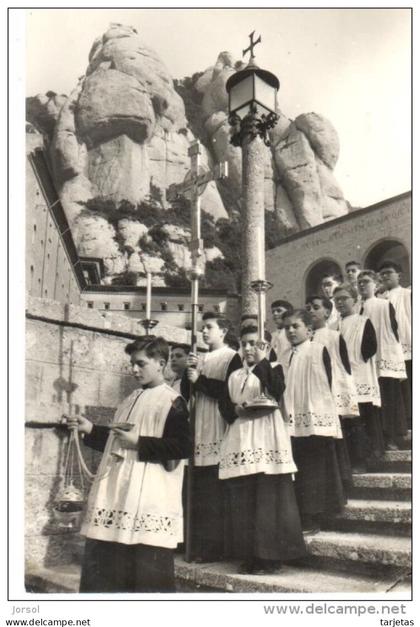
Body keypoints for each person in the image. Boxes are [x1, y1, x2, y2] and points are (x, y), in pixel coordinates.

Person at [64, 336, 191, 593]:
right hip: (116, 492)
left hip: (147, 497)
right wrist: (90, 429)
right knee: (105, 568)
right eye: (131, 364)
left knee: (144, 573)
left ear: (161, 363)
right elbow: (117, 441)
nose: (134, 369)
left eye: (140, 363)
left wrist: (140, 443)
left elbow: (182, 448)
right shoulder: (130, 398)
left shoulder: (173, 402)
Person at [218, 326, 306, 574]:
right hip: (242, 436)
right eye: (244, 344)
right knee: (245, 499)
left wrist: (263, 361)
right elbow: (224, 404)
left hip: (267, 437)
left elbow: (275, 391)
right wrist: (235, 410)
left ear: (266, 347)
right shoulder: (235, 375)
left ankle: (270, 555)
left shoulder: (274, 368)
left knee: (267, 499)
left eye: (254, 344)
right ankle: (250, 554)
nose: (248, 349)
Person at [184, 312, 242, 562]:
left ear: (224, 331)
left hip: (218, 425)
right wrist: (191, 375)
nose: (204, 332)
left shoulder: (232, 357)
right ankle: (198, 545)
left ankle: (217, 548)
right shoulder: (200, 358)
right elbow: (189, 393)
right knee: (199, 492)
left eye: (209, 327)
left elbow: (230, 392)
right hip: (199, 425)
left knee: (215, 492)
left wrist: (200, 380)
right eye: (202, 328)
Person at [281, 309, 345, 534]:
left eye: (295, 326)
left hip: (314, 419)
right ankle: (302, 517)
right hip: (291, 419)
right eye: (286, 327)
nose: (290, 330)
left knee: (313, 471)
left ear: (309, 329)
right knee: (298, 470)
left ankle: (314, 518)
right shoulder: (284, 355)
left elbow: (326, 383)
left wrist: (317, 413)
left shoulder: (318, 350)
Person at [334, 284, 384, 471]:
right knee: (348, 420)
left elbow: (371, 347)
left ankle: (368, 460)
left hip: (360, 375)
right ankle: (353, 461)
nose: (339, 302)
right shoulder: (333, 326)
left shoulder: (363, 321)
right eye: (336, 299)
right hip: (342, 379)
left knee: (362, 418)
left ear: (354, 300)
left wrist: (355, 360)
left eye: (344, 298)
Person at [357, 270, 407, 450]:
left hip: (383, 357)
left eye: (366, 281)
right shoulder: (355, 308)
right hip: (364, 362)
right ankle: (378, 441)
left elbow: (394, 331)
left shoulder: (384, 305)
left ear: (376, 285)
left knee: (389, 399)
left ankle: (393, 437)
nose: (362, 285)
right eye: (359, 282)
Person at [378, 261, 412, 430]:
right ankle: (406, 421)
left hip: (408, 343)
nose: (385, 276)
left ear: (399, 275)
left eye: (388, 272)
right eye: (382, 274)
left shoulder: (408, 293)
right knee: (400, 389)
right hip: (391, 348)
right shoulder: (380, 299)